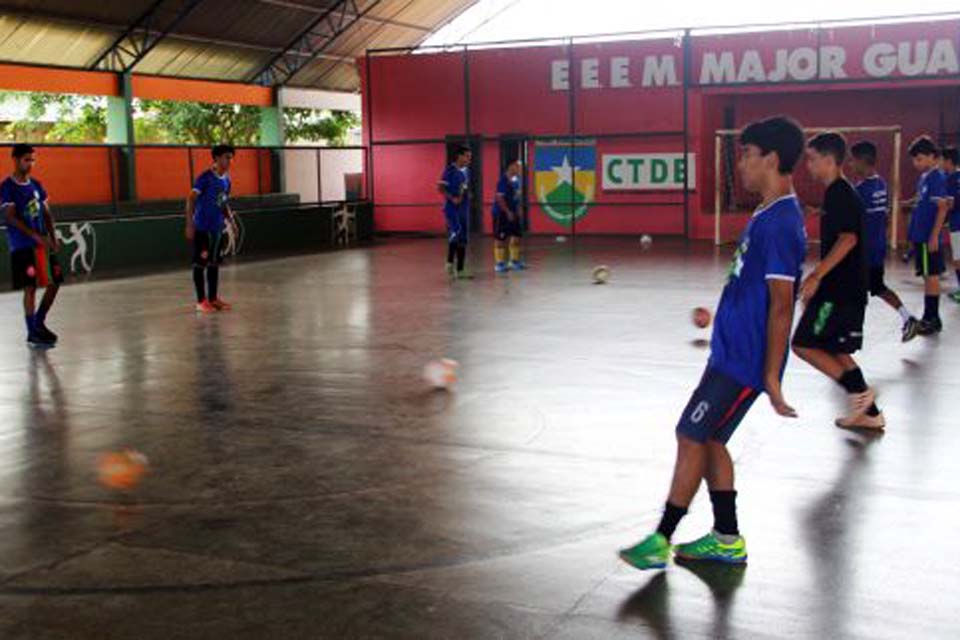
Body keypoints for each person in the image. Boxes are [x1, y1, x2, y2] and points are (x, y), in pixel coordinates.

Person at [619, 116, 806, 570]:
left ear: (772, 159)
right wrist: (718, 315)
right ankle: (726, 538)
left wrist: (770, 377)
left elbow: (783, 305)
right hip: (730, 354)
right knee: (713, 441)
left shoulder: (781, 222)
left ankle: (661, 539)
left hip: (742, 366)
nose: (740, 163)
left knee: (690, 434)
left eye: (747, 154)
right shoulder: (765, 215)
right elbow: (755, 293)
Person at [792, 132, 884, 430]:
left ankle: (859, 393)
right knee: (837, 349)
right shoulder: (838, 193)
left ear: (829, 160)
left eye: (812, 159)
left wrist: (817, 276)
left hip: (840, 292)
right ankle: (870, 414)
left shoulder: (840, 192)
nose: (808, 165)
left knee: (804, 344)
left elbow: (848, 239)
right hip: (842, 289)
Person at [849, 141, 920, 341]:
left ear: (863, 161)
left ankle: (850, 332)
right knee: (878, 287)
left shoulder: (860, 190)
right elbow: (885, 219)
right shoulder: (882, 184)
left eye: (852, 161)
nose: (850, 165)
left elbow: (852, 222)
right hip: (878, 248)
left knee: (850, 291)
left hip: (864, 252)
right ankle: (908, 317)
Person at [1, 144, 63, 348]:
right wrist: (34, 236)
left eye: (32, 160)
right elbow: (10, 217)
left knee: (55, 282)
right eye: (26, 159)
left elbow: (46, 213)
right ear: (16, 160)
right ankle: (31, 331)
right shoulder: (7, 187)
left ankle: (38, 322)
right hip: (22, 245)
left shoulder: (36, 185)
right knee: (30, 288)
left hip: (42, 244)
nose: (30, 163)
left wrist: (52, 237)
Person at [906, 136, 949, 334]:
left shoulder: (937, 177)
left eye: (920, 159)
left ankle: (932, 318)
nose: (917, 164)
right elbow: (923, 201)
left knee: (931, 276)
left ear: (932, 156)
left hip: (927, 237)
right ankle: (930, 317)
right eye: (915, 160)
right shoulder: (924, 178)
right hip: (919, 235)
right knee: (926, 275)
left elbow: (942, 209)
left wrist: (934, 236)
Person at [186, 144, 235, 313]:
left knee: (214, 263)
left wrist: (231, 221)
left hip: (217, 229)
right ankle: (201, 301)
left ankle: (213, 299)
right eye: (226, 157)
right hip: (202, 228)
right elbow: (190, 200)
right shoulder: (205, 178)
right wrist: (189, 224)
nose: (229, 160)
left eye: (230, 157)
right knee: (200, 264)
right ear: (216, 158)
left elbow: (223, 202)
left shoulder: (226, 180)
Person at [438, 146, 472, 279]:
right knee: (458, 234)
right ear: (459, 156)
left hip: (463, 209)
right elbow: (440, 188)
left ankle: (450, 262)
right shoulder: (449, 171)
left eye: (470, 157)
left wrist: (466, 194)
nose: (469, 159)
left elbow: (463, 187)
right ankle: (460, 269)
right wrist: (452, 198)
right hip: (452, 209)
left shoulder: (465, 171)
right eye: (467, 156)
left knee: (462, 237)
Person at [492, 159, 525, 273]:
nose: (520, 169)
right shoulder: (503, 181)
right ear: (511, 166)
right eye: (517, 166)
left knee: (516, 236)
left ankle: (514, 261)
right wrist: (507, 212)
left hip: (513, 212)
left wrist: (518, 209)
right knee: (500, 238)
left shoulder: (516, 181)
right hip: (501, 213)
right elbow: (499, 198)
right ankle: (499, 263)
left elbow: (517, 197)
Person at [941, 146, 960, 303]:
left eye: (942, 160)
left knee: (958, 259)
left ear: (948, 161)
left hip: (957, 224)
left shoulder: (951, 178)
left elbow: (951, 203)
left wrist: (942, 218)